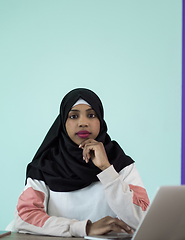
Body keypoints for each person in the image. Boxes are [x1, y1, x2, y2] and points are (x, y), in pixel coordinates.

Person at [14, 88, 149, 237]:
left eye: (91, 115)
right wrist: (84, 228)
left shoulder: (120, 163)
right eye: (73, 116)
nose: (83, 123)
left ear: (101, 121)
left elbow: (144, 220)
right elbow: (24, 218)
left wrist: (106, 169)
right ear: (63, 122)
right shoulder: (46, 166)